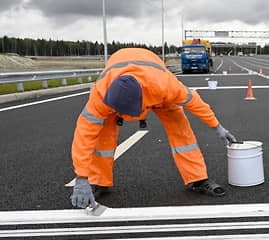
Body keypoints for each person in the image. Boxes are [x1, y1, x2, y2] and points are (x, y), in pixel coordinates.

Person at [70, 48, 237, 209]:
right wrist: (82, 178)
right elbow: (83, 137)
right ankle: (97, 182)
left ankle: (198, 179)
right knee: (102, 135)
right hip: (119, 64)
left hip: (154, 77)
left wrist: (217, 126)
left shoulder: (165, 86)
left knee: (180, 127)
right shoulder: (100, 96)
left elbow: (195, 102)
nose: (119, 115)